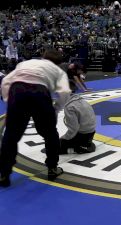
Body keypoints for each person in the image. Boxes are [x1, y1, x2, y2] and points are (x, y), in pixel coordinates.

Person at [0, 49, 70, 187]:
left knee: (11, 134)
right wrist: (56, 108)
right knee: (50, 133)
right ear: (58, 64)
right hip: (39, 92)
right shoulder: (58, 71)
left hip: (17, 90)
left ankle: (4, 174)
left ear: (43, 57)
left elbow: (6, 81)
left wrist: (10, 100)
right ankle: (52, 168)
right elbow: (65, 91)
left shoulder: (26, 63)